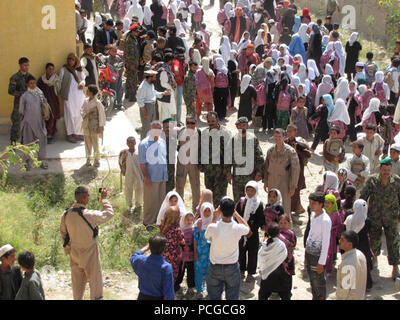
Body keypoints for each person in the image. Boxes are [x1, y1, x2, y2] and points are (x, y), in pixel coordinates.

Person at [60, 186, 114, 300]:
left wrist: (69, 250)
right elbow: (109, 214)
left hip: (75, 253)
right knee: (95, 285)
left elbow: (64, 235)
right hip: (90, 253)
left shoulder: (66, 215)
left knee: (77, 286)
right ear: (85, 198)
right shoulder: (90, 215)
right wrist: (104, 199)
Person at [360, 158, 400, 279]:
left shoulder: (397, 181)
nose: (386, 172)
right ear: (380, 169)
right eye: (384, 170)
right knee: (374, 240)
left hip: (391, 218)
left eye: (388, 170)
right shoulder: (372, 180)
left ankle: (395, 267)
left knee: (393, 242)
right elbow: (363, 197)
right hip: (375, 217)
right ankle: (374, 259)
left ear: (391, 170)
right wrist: (361, 213)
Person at [205, 197, 250, 300]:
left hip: (215, 266)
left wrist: (214, 217)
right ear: (233, 210)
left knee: (213, 297)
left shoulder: (213, 227)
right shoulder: (237, 228)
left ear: (220, 209)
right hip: (232, 267)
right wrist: (236, 214)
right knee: (233, 296)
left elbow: (206, 237)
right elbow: (247, 229)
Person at [226, 117, 264, 203]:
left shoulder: (253, 139)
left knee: (251, 201)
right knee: (238, 202)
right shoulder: (233, 140)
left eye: (244, 125)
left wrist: (259, 173)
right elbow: (228, 158)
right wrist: (228, 173)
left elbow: (260, 157)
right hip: (237, 179)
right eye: (240, 126)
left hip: (250, 177)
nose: (242, 127)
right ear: (237, 127)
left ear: (247, 126)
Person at [263, 128, 300, 216]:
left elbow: (295, 169)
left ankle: (286, 224)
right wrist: (265, 181)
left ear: (284, 137)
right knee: (272, 202)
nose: (277, 139)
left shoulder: (290, 152)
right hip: (272, 180)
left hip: (284, 182)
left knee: (285, 204)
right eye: (275, 136)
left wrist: (293, 186)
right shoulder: (271, 151)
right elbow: (266, 166)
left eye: (279, 136)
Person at [139, 121, 168, 227]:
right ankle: (148, 222)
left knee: (160, 201)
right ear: (151, 130)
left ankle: (158, 221)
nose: (157, 131)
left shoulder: (162, 142)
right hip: (151, 177)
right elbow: (142, 162)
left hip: (162, 176)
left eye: (159, 129)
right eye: (155, 129)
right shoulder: (144, 144)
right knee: (150, 201)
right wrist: (146, 176)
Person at [235, 181, 265, 282]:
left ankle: (251, 273)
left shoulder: (259, 204)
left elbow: (260, 219)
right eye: (248, 190)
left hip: (253, 234)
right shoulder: (242, 201)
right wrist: (240, 228)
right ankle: (241, 270)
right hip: (241, 232)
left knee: (252, 253)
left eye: (252, 190)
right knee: (241, 251)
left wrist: (252, 230)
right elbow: (237, 215)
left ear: (256, 191)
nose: (250, 192)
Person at [130, 234, 175, 300]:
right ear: (164, 248)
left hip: (142, 297)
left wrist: (145, 248)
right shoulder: (166, 267)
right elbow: (168, 291)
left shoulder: (140, 261)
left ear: (150, 247)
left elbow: (134, 256)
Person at [305, 191, 332, 300]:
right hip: (309, 253)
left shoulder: (325, 220)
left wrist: (321, 262)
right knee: (312, 281)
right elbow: (311, 233)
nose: (310, 205)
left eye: (313, 203)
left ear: (321, 204)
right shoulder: (312, 214)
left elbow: (326, 242)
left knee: (319, 283)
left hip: (318, 257)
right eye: (310, 202)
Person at [19, 75, 49, 170]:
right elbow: (21, 110)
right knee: (27, 143)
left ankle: (42, 161)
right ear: (27, 84)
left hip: (39, 123)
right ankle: (27, 162)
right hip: (28, 123)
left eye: (34, 83)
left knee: (42, 142)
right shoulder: (24, 96)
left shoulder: (39, 93)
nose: (33, 85)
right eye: (31, 83)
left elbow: (44, 106)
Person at [344, 199, 373, 290]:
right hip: (363, 245)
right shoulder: (366, 221)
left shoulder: (349, 217)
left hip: (351, 243)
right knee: (364, 264)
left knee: (351, 263)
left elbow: (346, 230)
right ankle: (366, 285)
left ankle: (351, 284)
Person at [258, 222, 291, 300]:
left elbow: (261, 257)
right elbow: (285, 258)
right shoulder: (281, 245)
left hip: (267, 276)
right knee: (285, 294)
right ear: (279, 233)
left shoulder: (264, 245)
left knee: (263, 294)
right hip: (280, 276)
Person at [176, 115, 201, 212]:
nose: (190, 125)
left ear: (196, 123)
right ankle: (179, 210)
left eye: (192, 123)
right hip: (182, 163)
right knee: (179, 186)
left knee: (195, 187)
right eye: (188, 123)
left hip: (194, 164)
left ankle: (196, 211)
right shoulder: (180, 131)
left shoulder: (199, 133)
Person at [60, 53, 86, 144]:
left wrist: (82, 83)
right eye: (69, 59)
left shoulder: (79, 70)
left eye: (72, 60)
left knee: (79, 114)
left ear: (75, 61)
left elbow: (83, 79)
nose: (70, 61)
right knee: (69, 114)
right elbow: (60, 81)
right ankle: (70, 134)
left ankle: (78, 133)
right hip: (69, 96)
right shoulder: (64, 69)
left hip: (78, 96)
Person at [285, 124, 312, 214]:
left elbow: (308, 154)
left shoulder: (299, 144)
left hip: (298, 171)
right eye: (287, 131)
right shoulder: (285, 142)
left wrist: (297, 152)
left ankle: (296, 209)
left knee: (295, 191)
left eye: (291, 131)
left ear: (295, 132)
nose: (289, 133)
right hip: (287, 170)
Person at [137, 69, 170, 139]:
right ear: (150, 77)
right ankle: (143, 142)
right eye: (154, 77)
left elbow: (153, 93)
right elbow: (140, 100)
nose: (155, 78)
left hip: (152, 106)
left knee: (152, 125)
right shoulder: (143, 87)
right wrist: (144, 112)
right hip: (147, 107)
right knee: (146, 126)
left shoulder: (150, 84)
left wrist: (162, 93)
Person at [159, 206, 185, 293]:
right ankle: (170, 289)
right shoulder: (177, 229)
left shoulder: (163, 227)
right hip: (174, 256)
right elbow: (182, 242)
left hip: (163, 255)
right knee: (172, 274)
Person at [336, 230, 367, 300]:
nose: (339, 241)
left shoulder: (348, 263)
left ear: (350, 244)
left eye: (342, 240)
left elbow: (344, 289)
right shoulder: (360, 254)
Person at [80, 85, 106, 168]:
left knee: (95, 143)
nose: (86, 92)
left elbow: (101, 115)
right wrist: (86, 115)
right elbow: (81, 110)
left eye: (87, 90)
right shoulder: (85, 101)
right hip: (86, 125)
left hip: (94, 126)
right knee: (87, 143)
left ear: (91, 92)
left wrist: (100, 126)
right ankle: (88, 159)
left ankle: (97, 160)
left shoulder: (97, 103)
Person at [8, 57, 32, 144]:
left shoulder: (30, 77)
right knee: (16, 124)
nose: (27, 67)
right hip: (18, 105)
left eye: (28, 65)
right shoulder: (15, 78)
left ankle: (24, 143)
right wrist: (22, 93)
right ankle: (13, 143)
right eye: (25, 65)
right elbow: (11, 91)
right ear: (20, 65)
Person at [37, 63, 61, 144]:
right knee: (46, 118)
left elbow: (58, 90)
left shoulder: (56, 79)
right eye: (49, 69)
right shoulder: (41, 80)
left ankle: (50, 135)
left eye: (52, 69)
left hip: (54, 101)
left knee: (53, 118)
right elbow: (38, 90)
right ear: (46, 69)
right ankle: (45, 134)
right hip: (45, 102)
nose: (51, 70)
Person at [119, 136, 144, 214]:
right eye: (129, 142)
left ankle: (138, 204)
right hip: (129, 173)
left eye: (132, 142)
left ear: (135, 143)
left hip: (138, 173)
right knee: (128, 188)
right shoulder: (124, 153)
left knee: (139, 188)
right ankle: (129, 205)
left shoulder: (139, 152)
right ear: (126, 143)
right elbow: (121, 163)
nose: (130, 144)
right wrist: (123, 157)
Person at [194, 202, 213, 299]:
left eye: (209, 210)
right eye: (205, 210)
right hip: (200, 252)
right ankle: (199, 290)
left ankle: (211, 290)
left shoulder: (214, 223)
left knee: (211, 272)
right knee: (198, 271)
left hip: (211, 252)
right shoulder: (199, 223)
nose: (207, 213)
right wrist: (195, 252)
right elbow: (195, 239)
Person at [175, 212, 196, 296]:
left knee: (191, 271)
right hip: (182, 255)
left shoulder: (194, 229)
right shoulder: (180, 229)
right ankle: (177, 286)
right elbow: (178, 241)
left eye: (191, 220)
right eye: (187, 219)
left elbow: (195, 242)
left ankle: (190, 287)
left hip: (191, 255)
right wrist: (183, 246)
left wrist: (190, 247)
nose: (189, 221)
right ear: (183, 219)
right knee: (181, 271)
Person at [153, 53, 178, 121]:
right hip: (165, 95)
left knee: (163, 113)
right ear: (170, 61)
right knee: (165, 115)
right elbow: (163, 83)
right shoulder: (164, 70)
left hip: (163, 95)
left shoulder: (161, 66)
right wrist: (171, 87)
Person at [324, 194, 343, 275]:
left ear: (333, 203)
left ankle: (328, 269)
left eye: (329, 203)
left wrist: (332, 228)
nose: (327, 204)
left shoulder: (336, 214)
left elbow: (339, 224)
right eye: (325, 202)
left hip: (331, 235)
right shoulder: (323, 212)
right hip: (323, 235)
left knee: (330, 253)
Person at [124, 24, 140, 102]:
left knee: (130, 78)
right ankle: (132, 96)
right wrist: (131, 64)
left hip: (134, 62)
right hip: (131, 63)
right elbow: (128, 54)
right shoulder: (129, 40)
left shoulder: (134, 38)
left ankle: (127, 94)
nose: (137, 33)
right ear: (132, 31)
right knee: (133, 80)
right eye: (136, 31)